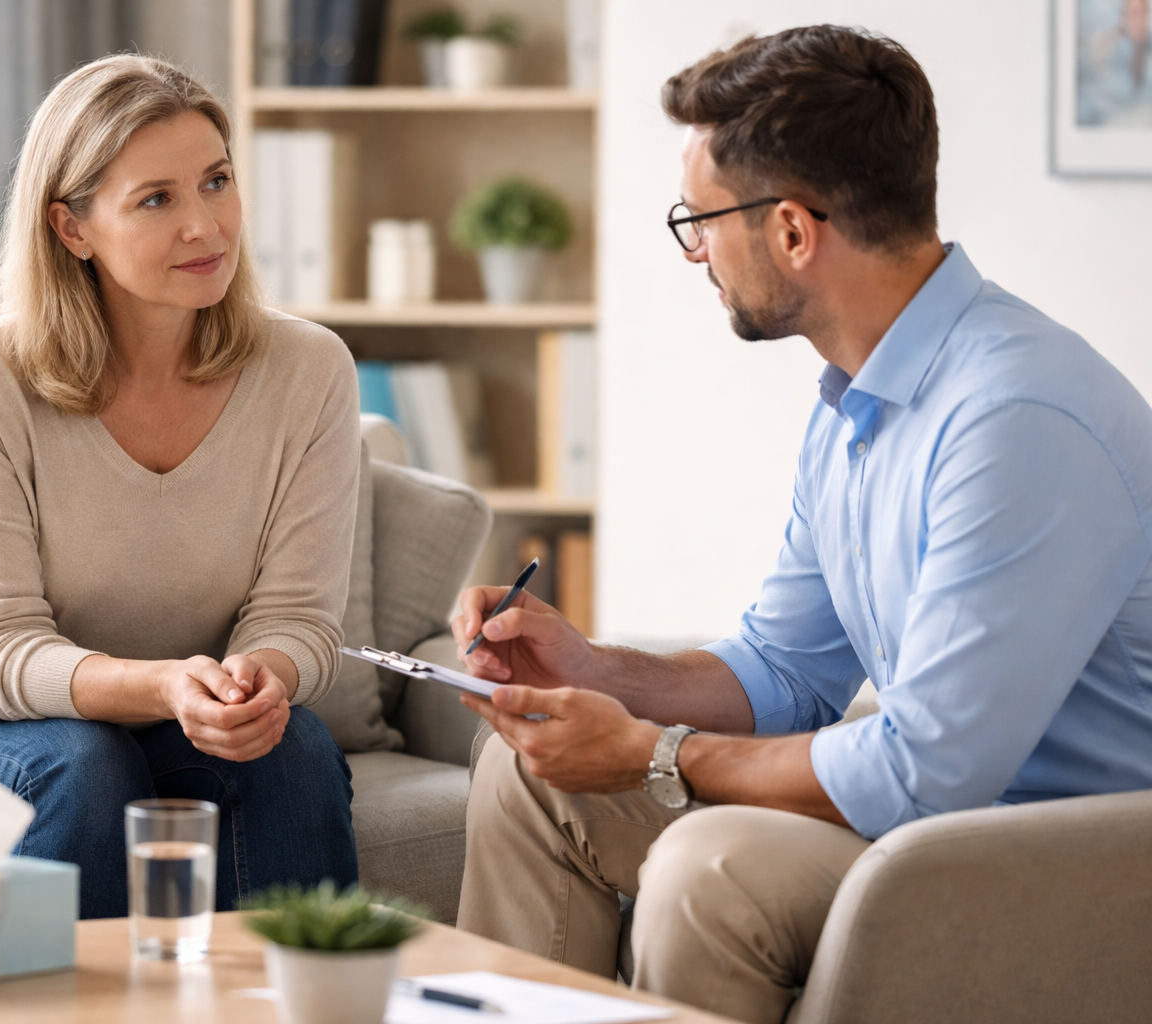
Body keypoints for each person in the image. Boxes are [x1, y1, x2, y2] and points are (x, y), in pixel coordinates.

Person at [451, 25, 1152, 1024]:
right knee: (527, 778)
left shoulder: (1016, 418)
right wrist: (596, 673)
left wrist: (655, 752)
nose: (695, 250)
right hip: (931, 825)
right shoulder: (859, 400)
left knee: (710, 864)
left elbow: (925, 771)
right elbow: (787, 671)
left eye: (699, 219)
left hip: (1056, 856)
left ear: (790, 231)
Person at [0, 55, 361, 919]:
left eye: (217, 181)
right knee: (87, 765)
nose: (206, 226)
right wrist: (166, 687)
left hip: (169, 717)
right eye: (156, 199)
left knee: (292, 749)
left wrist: (258, 682)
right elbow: (2, 654)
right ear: (72, 227)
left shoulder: (309, 370)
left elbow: (300, 617)